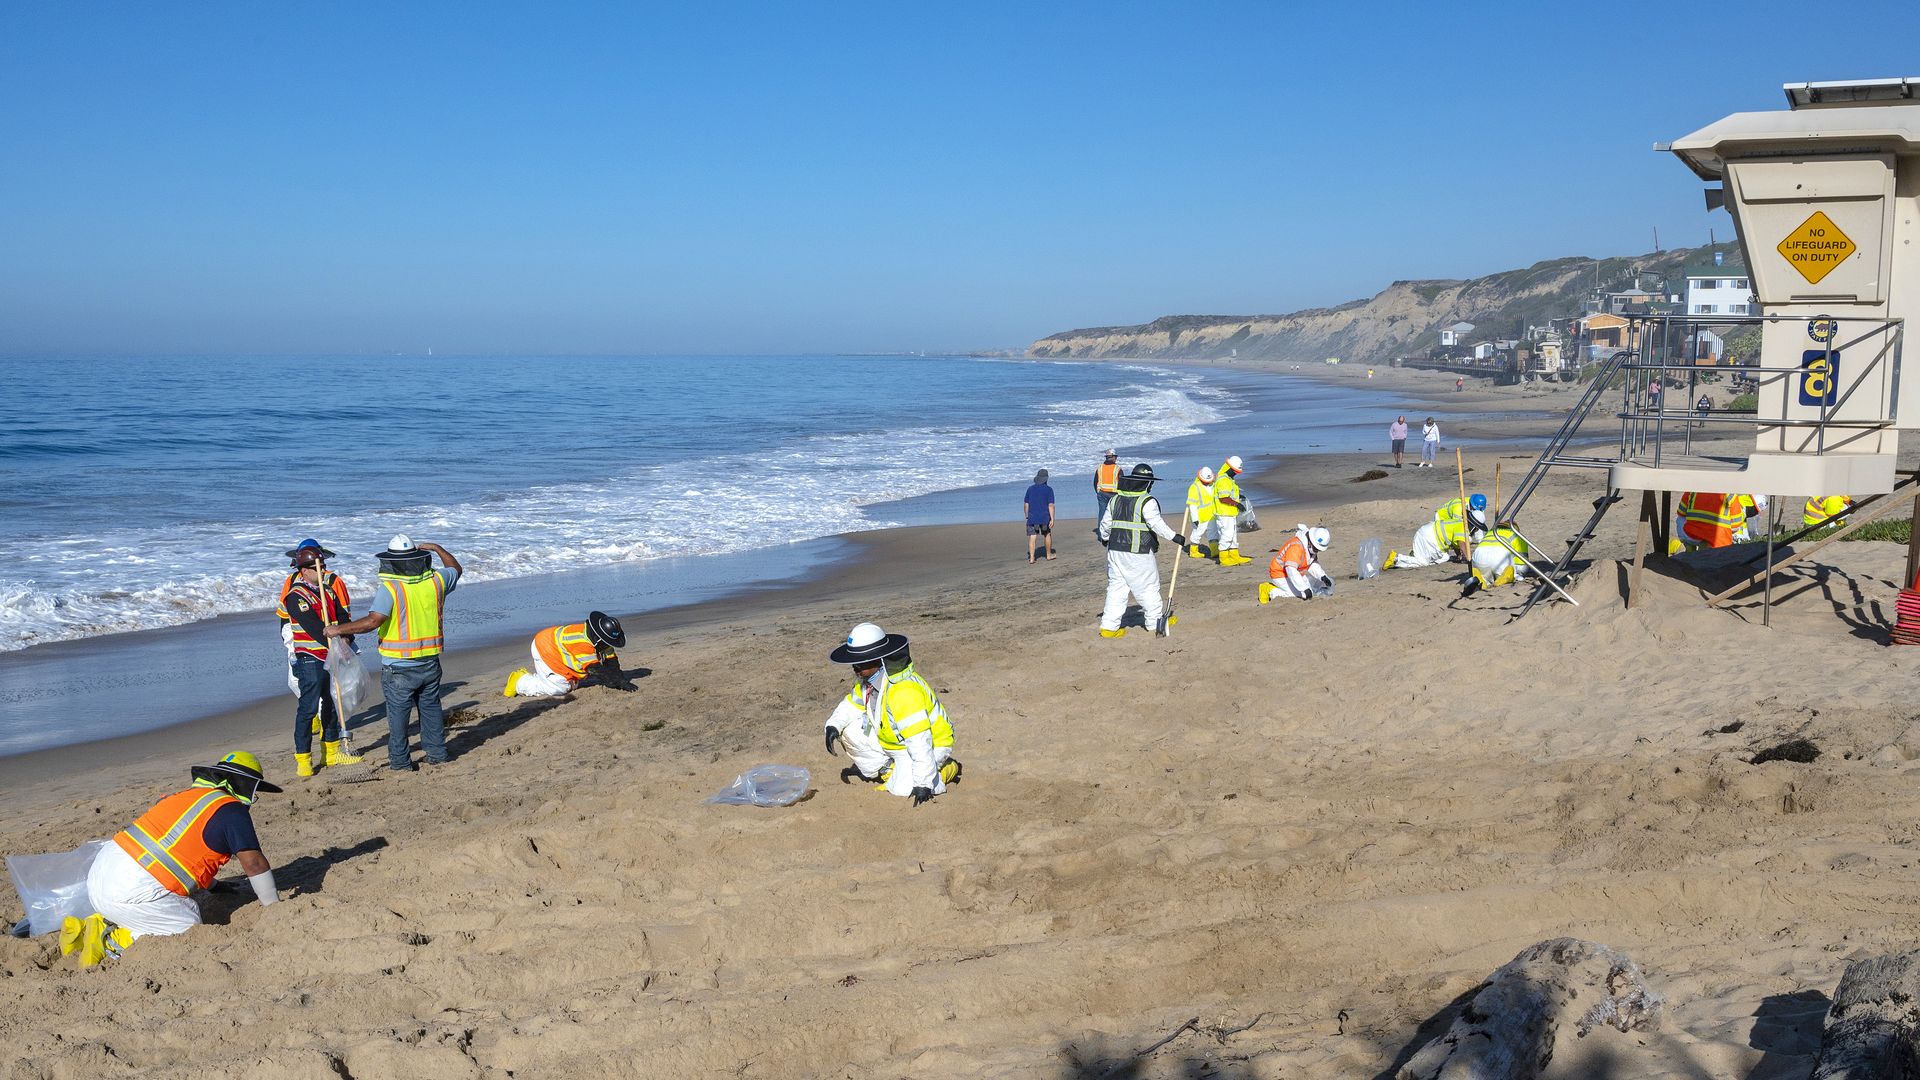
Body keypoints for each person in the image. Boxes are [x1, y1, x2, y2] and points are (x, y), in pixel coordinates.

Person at [67, 752, 282, 966]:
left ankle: (89, 925)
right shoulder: (232, 811)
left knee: (160, 905)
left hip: (101, 874)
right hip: (128, 891)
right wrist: (273, 906)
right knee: (188, 927)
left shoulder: (185, 797)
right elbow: (254, 863)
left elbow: (178, 853)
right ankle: (114, 940)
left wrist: (215, 886)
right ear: (247, 787)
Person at [325, 535, 461, 771]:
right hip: (429, 661)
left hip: (398, 665)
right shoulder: (436, 582)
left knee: (398, 717)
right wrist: (437, 547)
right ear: (419, 559)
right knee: (430, 709)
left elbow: (373, 621)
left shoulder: (390, 589)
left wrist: (337, 629)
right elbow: (455, 568)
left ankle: (400, 762)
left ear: (391, 562)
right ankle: (437, 754)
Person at [824, 622, 960, 805]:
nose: (856, 668)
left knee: (906, 790)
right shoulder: (867, 682)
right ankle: (891, 770)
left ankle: (946, 768)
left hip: (930, 745)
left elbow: (919, 740)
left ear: (879, 660)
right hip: (895, 742)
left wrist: (923, 784)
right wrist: (833, 725)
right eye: (854, 663)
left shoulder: (903, 691)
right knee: (847, 730)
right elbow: (851, 705)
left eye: (861, 663)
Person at [281, 542, 363, 776]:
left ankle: (331, 752)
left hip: (332, 653)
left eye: (324, 567)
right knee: (308, 706)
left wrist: (346, 637)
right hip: (310, 657)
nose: (322, 571)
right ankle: (303, 758)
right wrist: (335, 637)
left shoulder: (328, 591)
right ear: (304, 570)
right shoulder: (295, 597)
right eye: (317, 567)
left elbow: (343, 618)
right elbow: (317, 630)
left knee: (330, 701)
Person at [1098, 464, 1187, 638]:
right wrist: (1175, 537)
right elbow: (1155, 524)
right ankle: (1154, 623)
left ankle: (1109, 627)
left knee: (1116, 589)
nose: (1151, 486)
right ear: (1146, 484)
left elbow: (1105, 524)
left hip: (1115, 551)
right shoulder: (1147, 501)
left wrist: (1104, 537)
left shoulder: (1115, 499)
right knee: (1148, 587)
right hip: (1138, 552)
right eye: (1150, 483)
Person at [504, 611, 636, 698]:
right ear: (599, 638)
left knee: (573, 684)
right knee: (559, 689)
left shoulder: (600, 639)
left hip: (557, 647)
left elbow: (611, 661)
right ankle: (519, 681)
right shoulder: (582, 643)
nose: (609, 644)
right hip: (545, 647)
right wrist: (619, 681)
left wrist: (620, 679)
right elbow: (595, 668)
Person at [1385, 494, 1488, 569]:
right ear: (1474, 526)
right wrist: (1470, 560)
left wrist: (1459, 556)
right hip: (1428, 536)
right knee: (1423, 562)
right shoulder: (1462, 525)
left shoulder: (1462, 523)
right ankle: (1396, 558)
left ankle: (1418, 553)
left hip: (1429, 533)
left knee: (1445, 557)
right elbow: (1462, 544)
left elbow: (1457, 543)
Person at [1259, 525, 1332, 602]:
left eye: (1318, 550)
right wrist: (1303, 588)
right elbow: (1291, 570)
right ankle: (1269, 589)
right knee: (1298, 595)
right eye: (1316, 548)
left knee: (1311, 590)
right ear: (1311, 541)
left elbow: (1312, 563)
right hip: (1280, 574)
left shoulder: (1310, 547)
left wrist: (1322, 576)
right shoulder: (1296, 547)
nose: (1316, 551)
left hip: (1297, 572)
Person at [1674, 492, 1761, 550]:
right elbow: (1736, 525)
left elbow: (1681, 513)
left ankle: (1689, 551)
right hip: (1717, 541)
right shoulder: (1731, 495)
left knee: (1681, 519)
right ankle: (1706, 552)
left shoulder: (1693, 488)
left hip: (1691, 535)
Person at [1207, 456, 1251, 565]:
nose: (1236, 474)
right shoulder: (1223, 480)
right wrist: (1237, 504)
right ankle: (1224, 558)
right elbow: (1223, 498)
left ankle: (1234, 556)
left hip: (1230, 513)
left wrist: (1238, 496)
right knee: (1226, 535)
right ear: (1230, 468)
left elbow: (1229, 494)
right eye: (1235, 471)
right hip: (1224, 513)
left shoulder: (1229, 479)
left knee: (1232, 536)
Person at [1469, 522, 1532, 589]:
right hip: (1500, 557)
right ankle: (1505, 577)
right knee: (1517, 574)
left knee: (1484, 575)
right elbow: (1522, 566)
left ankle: (1480, 578)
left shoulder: (1490, 532)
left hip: (1479, 555)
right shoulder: (1518, 536)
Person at [1024, 468, 1056, 563]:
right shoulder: (1049, 490)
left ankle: (1032, 558)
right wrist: (1052, 518)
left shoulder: (1030, 489)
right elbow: (1050, 505)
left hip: (1032, 517)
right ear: (1046, 479)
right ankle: (1049, 555)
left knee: (1032, 536)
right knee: (1047, 534)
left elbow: (1026, 504)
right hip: (1045, 517)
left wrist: (1027, 515)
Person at [1185, 466, 1217, 559]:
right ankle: (1193, 551)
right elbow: (1192, 505)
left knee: (1213, 532)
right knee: (1197, 533)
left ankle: (1214, 550)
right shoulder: (1195, 487)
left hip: (1211, 515)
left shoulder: (1212, 485)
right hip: (1200, 517)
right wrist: (1195, 519)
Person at [1094, 450, 1121, 522]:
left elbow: (1095, 482)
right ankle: (1114, 531)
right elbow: (1122, 483)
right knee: (1114, 514)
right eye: (1115, 457)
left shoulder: (1100, 468)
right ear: (1113, 457)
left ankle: (1101, 532)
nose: (1116, 459)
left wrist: (1098, 492)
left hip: (1101, 493)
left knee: (1102, 514)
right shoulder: (1117, 468)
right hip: (1114, 495)